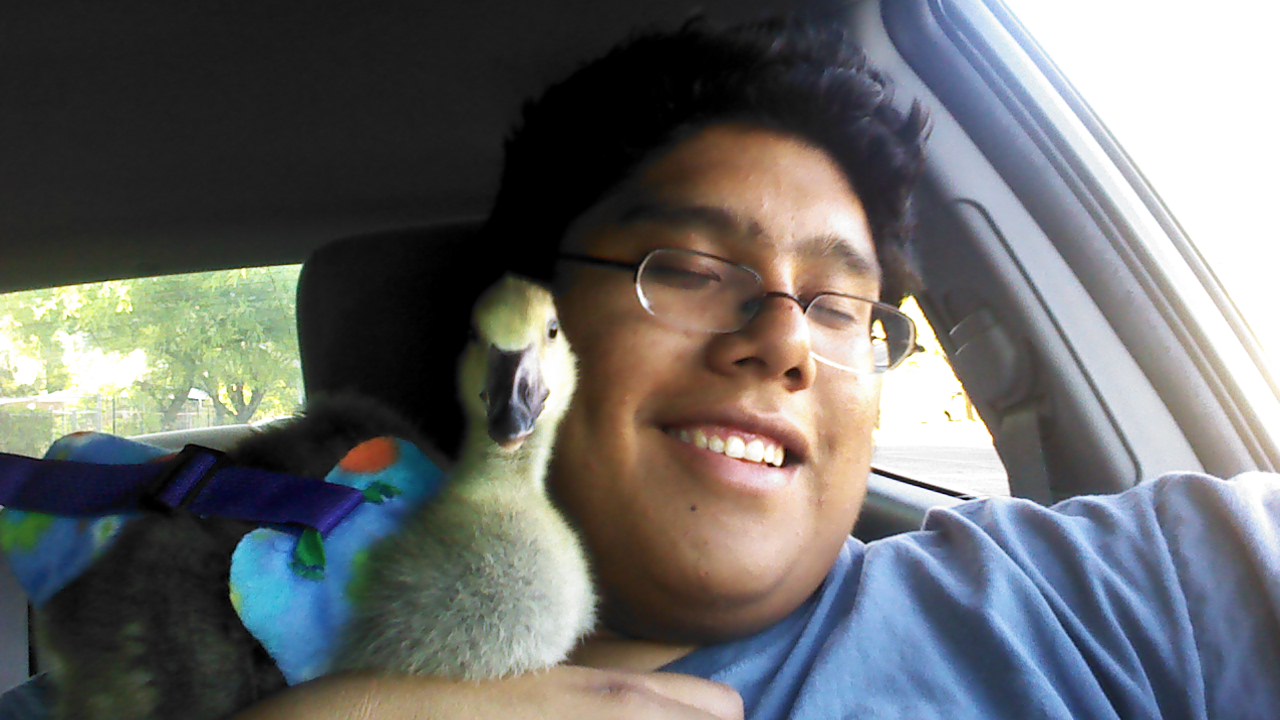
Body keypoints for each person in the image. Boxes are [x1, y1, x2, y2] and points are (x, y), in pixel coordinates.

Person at [8, 14, 1280, 720]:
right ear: (534, 329)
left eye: (841, 304)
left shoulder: (1131, 595)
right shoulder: (169, 662)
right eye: (687, 266)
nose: (783, 337)